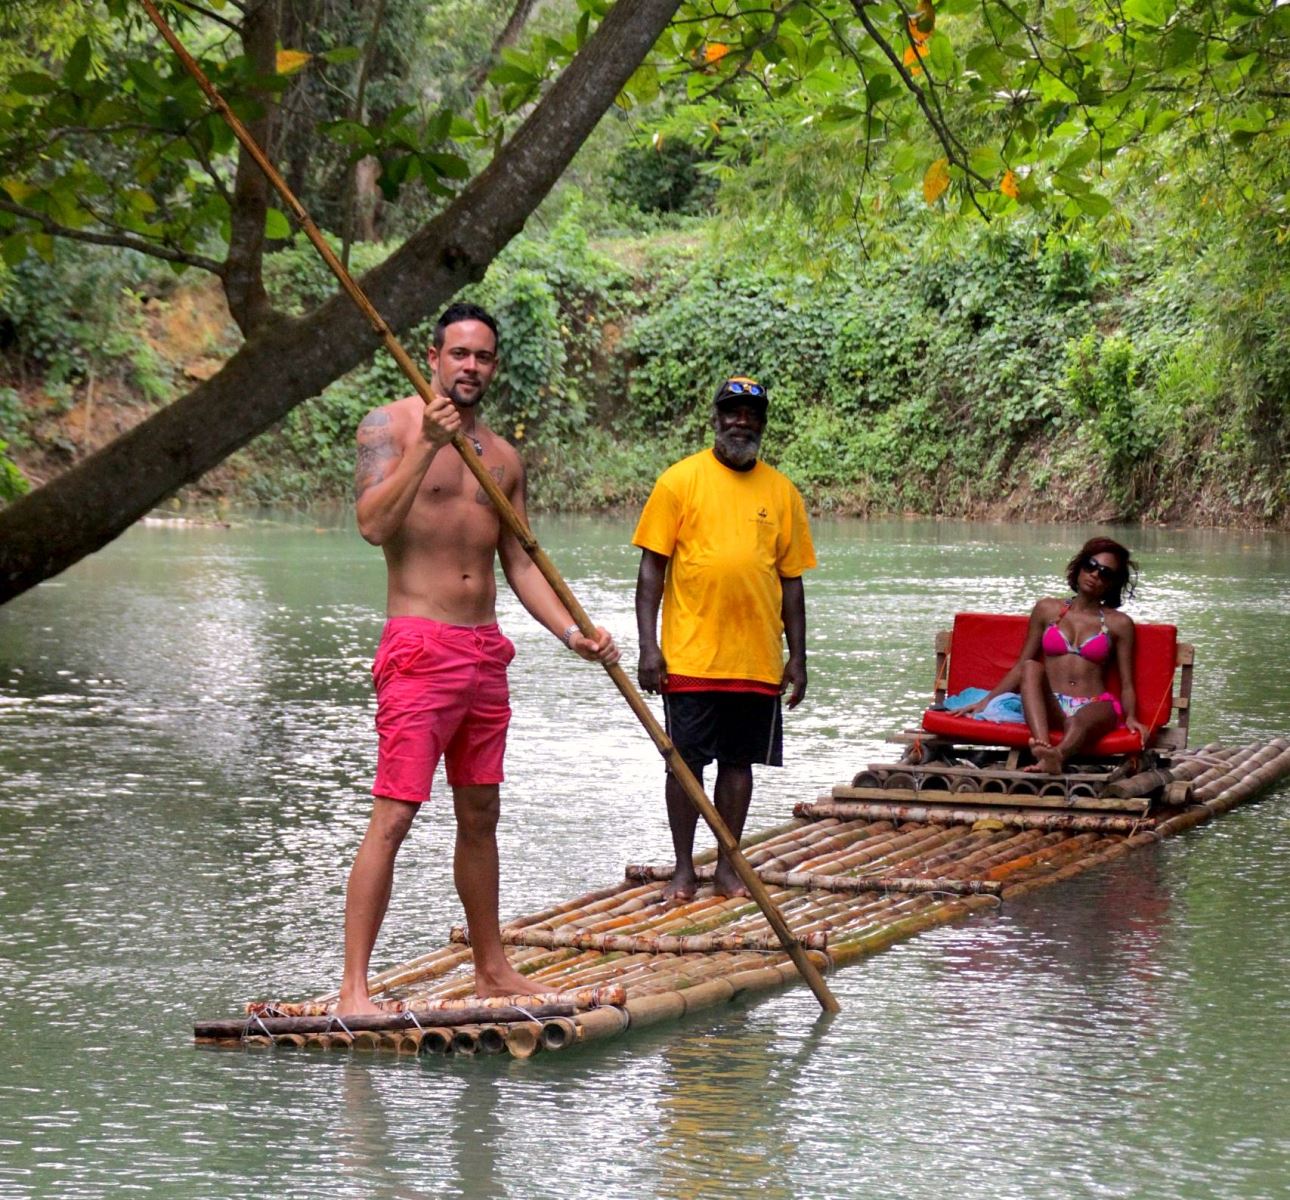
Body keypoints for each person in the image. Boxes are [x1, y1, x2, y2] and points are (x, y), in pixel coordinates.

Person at [339, 302, 619, 1013]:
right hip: (418, 645)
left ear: (494, 368)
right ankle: (354, 988)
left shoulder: (502, 459)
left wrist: (570, 634)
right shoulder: (389, 426)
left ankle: (492, 968)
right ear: (431, 356)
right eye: (459, 353)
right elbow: (373, 525)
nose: (470, 366)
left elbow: (521, 562)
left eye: (483, 357)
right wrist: (429, 447)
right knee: (394, 815)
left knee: (482, 812)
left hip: (484, 653)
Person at [633, 376, 816, 902]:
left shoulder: (782, 492)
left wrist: (797, 658)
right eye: (732, 412)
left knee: (739, 765)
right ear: (715, 418)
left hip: (756, 658)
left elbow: (792, 582)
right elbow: (651, 574)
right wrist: (650, 647)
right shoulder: (678, 482)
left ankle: (729, 867)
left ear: (762, 424)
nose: (741, 422)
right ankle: (684, 869)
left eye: (751, 414)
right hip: (690, 655)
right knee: (685, 764)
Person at [958, 537, 1149, 773]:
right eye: (1091, 565)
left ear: (1112, 584)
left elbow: (1127, 683)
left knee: (1077, 721)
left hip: (1095, 705)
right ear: (1079, 567)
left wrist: (1131, 717)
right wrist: (985, 702)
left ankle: (1055, 757)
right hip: (1052, 703)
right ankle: (1043, 748)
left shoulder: (1119, 624)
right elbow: (1021, 665)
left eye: (1105, 573)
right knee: (1031, 666)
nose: (1095, 575)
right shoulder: (1046, 610)